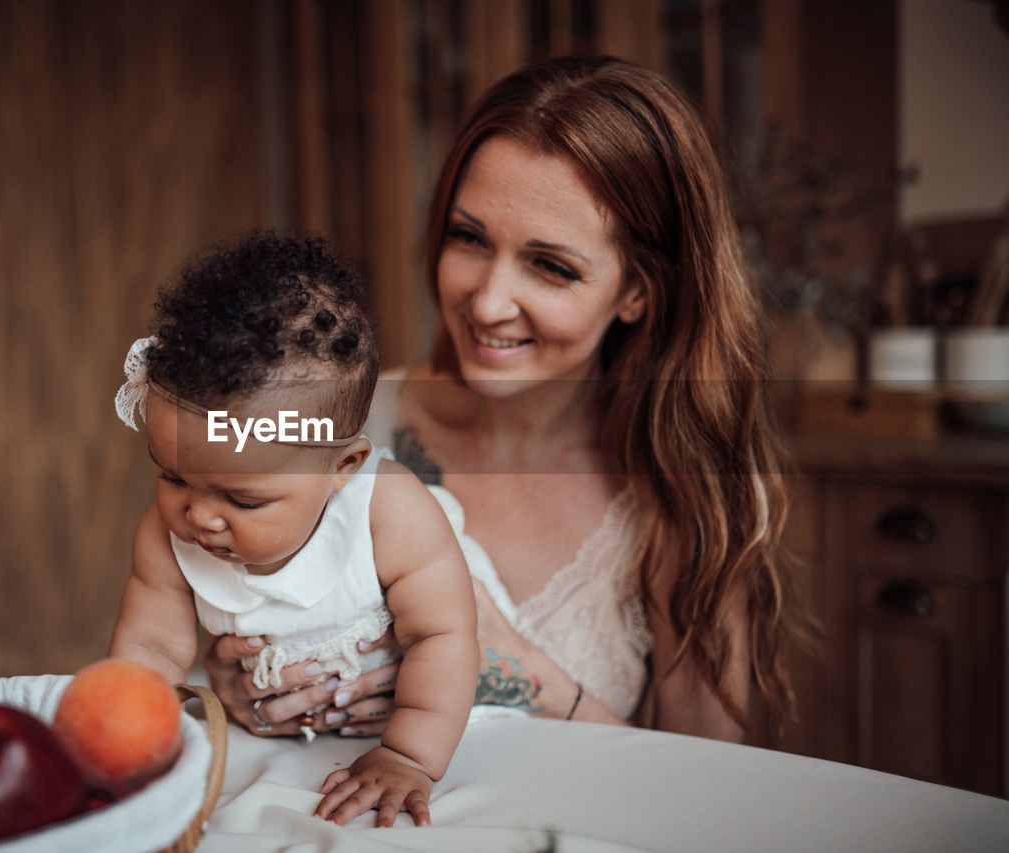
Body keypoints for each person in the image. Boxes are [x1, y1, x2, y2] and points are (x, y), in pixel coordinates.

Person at [205, 55, 796, 743]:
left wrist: (522, 673)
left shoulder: (684, 497)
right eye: (469, 238)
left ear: (638, 291)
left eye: (550, 266)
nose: (487, 301)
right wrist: (235, 685)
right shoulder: (339, 422)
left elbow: (711, 796)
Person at [108, 231, 479, 827]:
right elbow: (147, 650)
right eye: (173, 477)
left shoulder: (389, 513)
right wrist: (121, 736)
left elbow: (443, 638)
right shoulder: (165, 536)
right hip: (272, 737)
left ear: (342, 468)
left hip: (425, 722)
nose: (199, 516)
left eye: (244, 499)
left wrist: (407, 755)